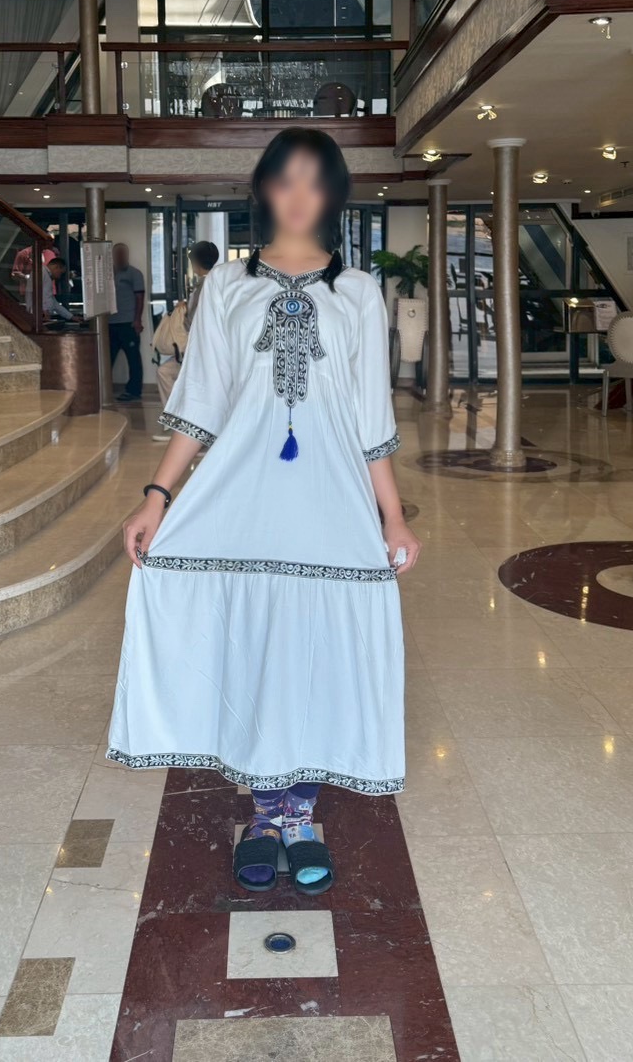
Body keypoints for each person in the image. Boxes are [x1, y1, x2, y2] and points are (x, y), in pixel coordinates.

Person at [108, 128, 420, 896]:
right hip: (243, 498)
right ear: (265, 190)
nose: (298, 195)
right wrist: (157, 495)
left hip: (330, 499)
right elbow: (202, 402)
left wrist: (392, 515)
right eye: (285, 179)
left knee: (315, 648)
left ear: (333, 193)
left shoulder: (358, 290)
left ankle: (299, 816)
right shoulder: (228, 286)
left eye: (315, 180)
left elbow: (370, 414)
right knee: (256, 643)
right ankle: (264, 813)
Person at [152, 239, 220, 441]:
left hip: (200, 348)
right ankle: (179, 424)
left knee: (173, 376)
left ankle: (185, 429)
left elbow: (198, 319)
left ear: (195, 262)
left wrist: (184, 314)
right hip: (202, 348)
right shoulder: (214, 282)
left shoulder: (206, 285)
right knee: (166, 373)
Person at [109, 242, 146, 403]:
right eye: (117, 254)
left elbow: (140, 298)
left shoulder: (135, 274)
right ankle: (104, 389)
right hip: (110, 323)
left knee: (133, 359)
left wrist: (137, 320)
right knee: (107, 359)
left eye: (123, 253)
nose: (120, 257)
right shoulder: (108, 274)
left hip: (128, 323)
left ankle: (134, 391)